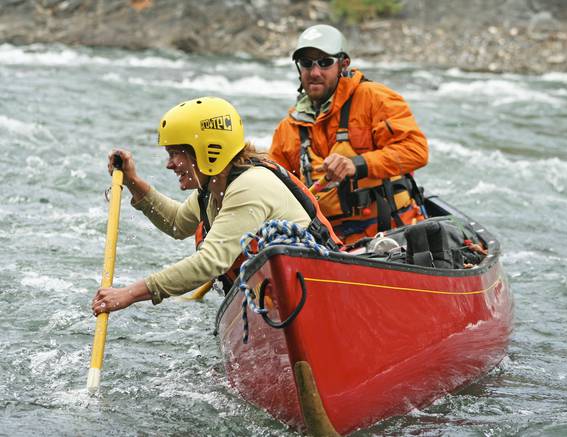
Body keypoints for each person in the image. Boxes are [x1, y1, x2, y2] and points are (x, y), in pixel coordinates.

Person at [92, 96, 338, 315]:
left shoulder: (249, 185)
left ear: (208, 151)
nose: (170, 164)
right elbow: (177, 223)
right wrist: (133, 182)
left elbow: (210, 262)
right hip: (283, 296)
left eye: (176, 154)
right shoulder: (213, 187)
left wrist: (129, 294)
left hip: (320, 289)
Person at [269, 24, 430, 244]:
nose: (315, 72)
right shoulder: (287, 129)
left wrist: (357, 164)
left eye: (325, 63)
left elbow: (416, 151)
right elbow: (273, 190)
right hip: (330, 245)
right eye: (306, 63)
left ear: (343, 64)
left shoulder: (375, 98)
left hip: (391, 235)